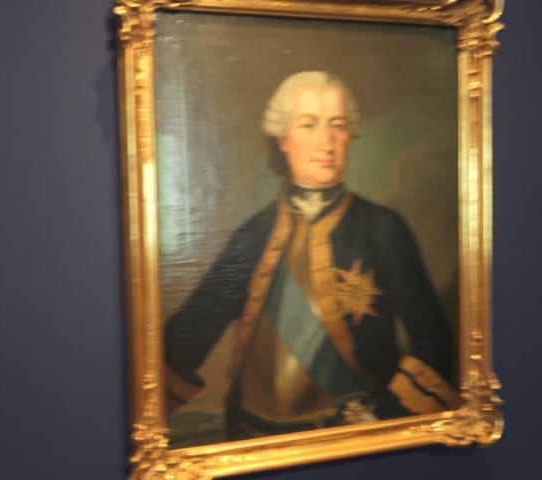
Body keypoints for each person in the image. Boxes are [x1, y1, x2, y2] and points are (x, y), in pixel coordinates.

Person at [164, 71, 459, 441]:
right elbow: (192, 332)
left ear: (350, 135)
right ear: (283, 139)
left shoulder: (383, 228)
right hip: (251, 436)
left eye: (337, 125)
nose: (326, 141)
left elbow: (434, 343)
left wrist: (386, 417)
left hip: (349, 439)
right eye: (308, 125)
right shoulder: (253, 235)